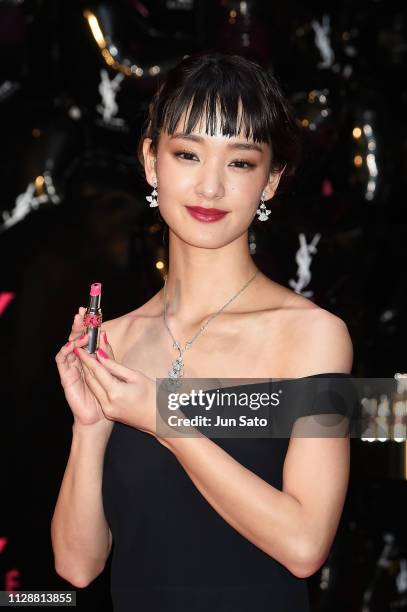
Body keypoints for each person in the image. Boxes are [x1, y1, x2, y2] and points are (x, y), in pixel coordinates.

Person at [51, 53, 353, 611]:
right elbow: (77, 567)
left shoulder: (315, 336)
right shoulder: (114, 338)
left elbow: (306, 546)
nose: (210, 186)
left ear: (271, 180)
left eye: (240, 162)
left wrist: (165, 419)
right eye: (188, 154)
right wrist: (89, 427)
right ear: (150, 162)